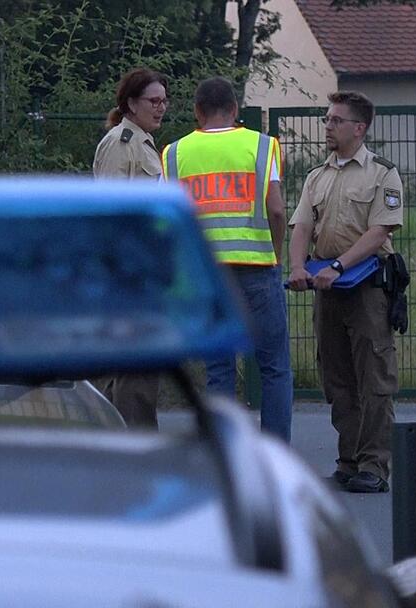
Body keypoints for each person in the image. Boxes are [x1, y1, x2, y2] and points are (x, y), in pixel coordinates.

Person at [161, 77, 293, 442]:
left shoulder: (174, 153)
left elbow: (168, 221)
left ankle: (223, 451)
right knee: (274, 369)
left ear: (197, 111)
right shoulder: (263, 146)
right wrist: (275, 256)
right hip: (257, 270)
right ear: (235, 110)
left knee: (218, 370)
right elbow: (277, 210)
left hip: (207, 277)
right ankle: (275, 453)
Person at [287, 91, 404, 493]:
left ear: (360, 127)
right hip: (326, 286)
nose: (328, 126)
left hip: (365, 285)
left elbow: (379, 231)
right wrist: (299, 267)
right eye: (327, 119)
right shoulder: (317, 176)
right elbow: (302, 226)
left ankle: (374, 465)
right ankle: (348, 459)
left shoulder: (382, 174)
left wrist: (339, 267)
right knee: (336, 377)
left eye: (336, 120)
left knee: (373, 377)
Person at [91, 67, 169, 429]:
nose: (161, 107)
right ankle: (137, 448)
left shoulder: (140, 142)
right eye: (154, 101)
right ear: (130, 103)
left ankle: (125, 445)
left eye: (164, 100)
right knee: (136, 369)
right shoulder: (121, 143)